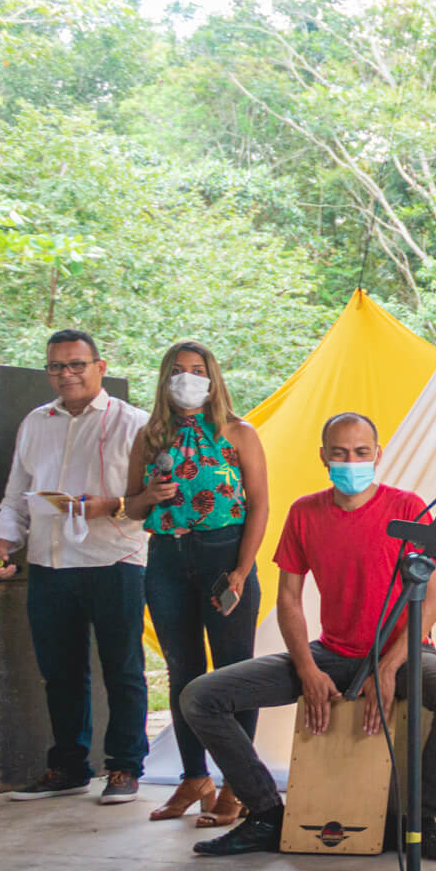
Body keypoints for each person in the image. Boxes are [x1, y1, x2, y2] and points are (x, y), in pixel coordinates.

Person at [180, 412, 436, 861]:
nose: (350, 461)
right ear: (324, 457)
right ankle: (265, 815)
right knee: (201, 696)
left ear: (377, 455)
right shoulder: (305, 512)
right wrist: (307, 668)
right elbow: (290, 600)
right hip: (332, 652)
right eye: (339, 453)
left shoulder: (408, 508)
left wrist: (389, 665)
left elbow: (432, 598)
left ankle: (419, 821)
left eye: (360, 452)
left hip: (404, 650)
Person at [0, 329, 152, 804]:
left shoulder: (134, 423)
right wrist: (3, 543)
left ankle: (124, 768)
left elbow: (151, 500)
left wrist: (110, 506)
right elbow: (16, 497)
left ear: (100, 368)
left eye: (77, 364)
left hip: (115, 560)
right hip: (48, 562)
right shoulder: (35, 423)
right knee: (59, 671)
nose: (67, 374)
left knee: (123, 669)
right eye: (57, 366)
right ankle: (68, 767)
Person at [126, 341, 269, 825]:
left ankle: (238, 783)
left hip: (223, 554)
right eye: (179, 370)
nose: (188, 378)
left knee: (233, 673)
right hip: (166, 556)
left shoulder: (238, 433)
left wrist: (241, 569)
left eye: (197, 370)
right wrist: (149, 494)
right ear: (165, 379)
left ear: (213, 379)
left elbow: (260, 504)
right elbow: (130, 507)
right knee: (182, 668)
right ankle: (194, 777)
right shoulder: (150, 437)